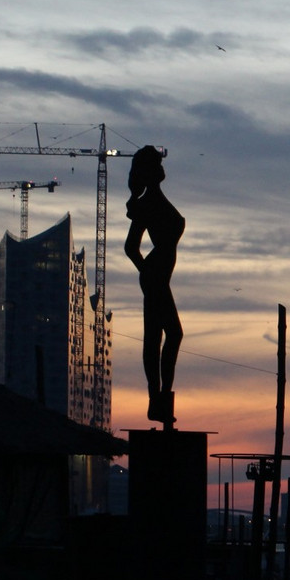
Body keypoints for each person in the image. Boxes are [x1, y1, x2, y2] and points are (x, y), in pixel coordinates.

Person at [123, 145, 184, 425]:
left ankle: (160, 401)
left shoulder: (157, 200)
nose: (162, 167)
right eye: (156, 163)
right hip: (155, 275)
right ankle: (157, 400)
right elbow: (130, 247)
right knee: (165, 335)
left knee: (165, 335)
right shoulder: (147, 204)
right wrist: (147, 270)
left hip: (159, 274)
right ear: (149, 172)